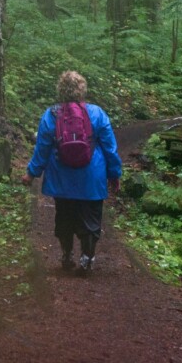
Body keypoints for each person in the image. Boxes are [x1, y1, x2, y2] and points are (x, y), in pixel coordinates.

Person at [25, 71, 122, 273]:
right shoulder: (97, 113)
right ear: (82, 90)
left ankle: (66, 254)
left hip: (62, 177)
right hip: (91, 177)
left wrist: (31, 173)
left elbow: (42, 149)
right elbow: (110, 148)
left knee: (65, 215)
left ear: (60, 90)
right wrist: (114, 174)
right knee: (91, 217)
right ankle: (87, 258)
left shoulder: (50, 115)